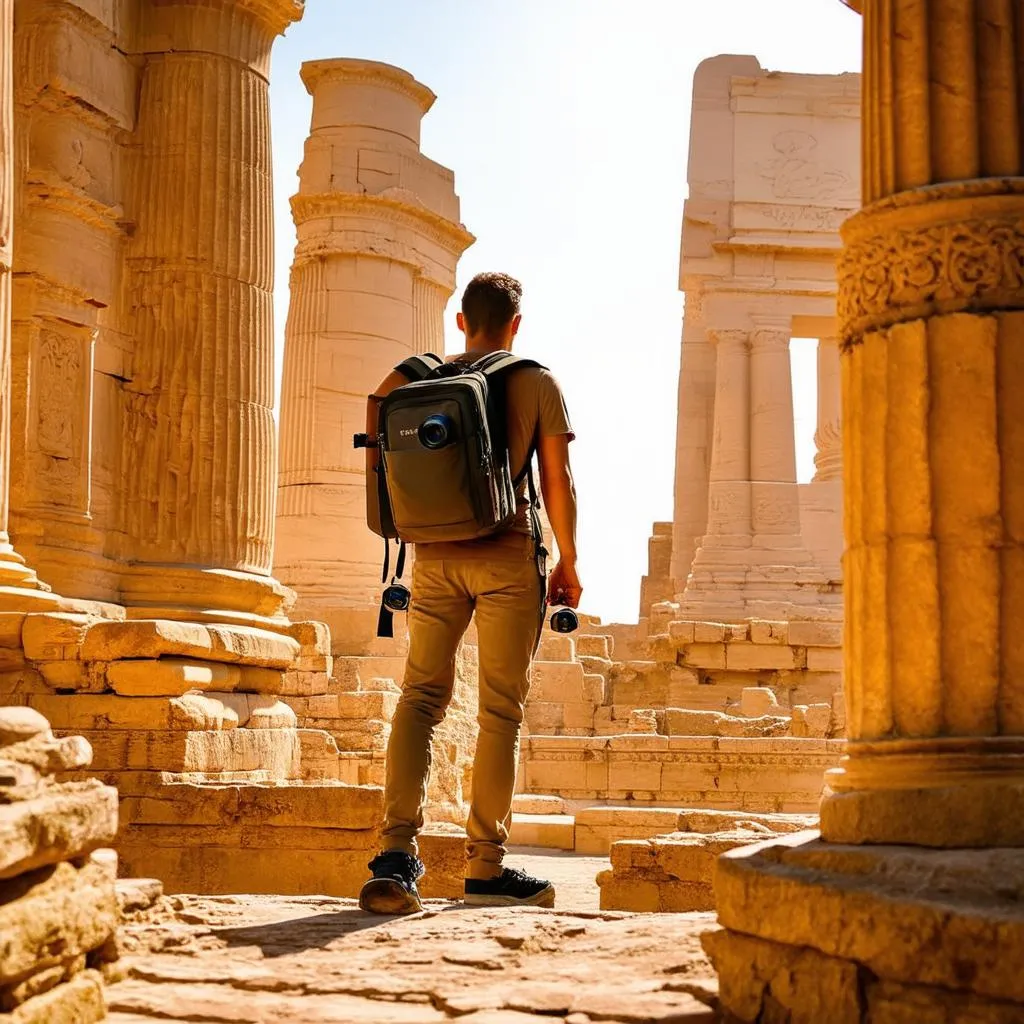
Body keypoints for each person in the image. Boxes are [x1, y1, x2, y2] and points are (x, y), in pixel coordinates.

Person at [358, 271, 581, 914]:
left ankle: (396, 855)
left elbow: (375, 416)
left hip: (432, 557)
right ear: (516, 324)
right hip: (509, 554)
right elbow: (558, 479)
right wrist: (568, 558)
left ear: (460, 320)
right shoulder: (536, 380)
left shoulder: (414, 375)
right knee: (499, 710)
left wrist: (399, 518)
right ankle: (485, 866)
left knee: (420, 697)